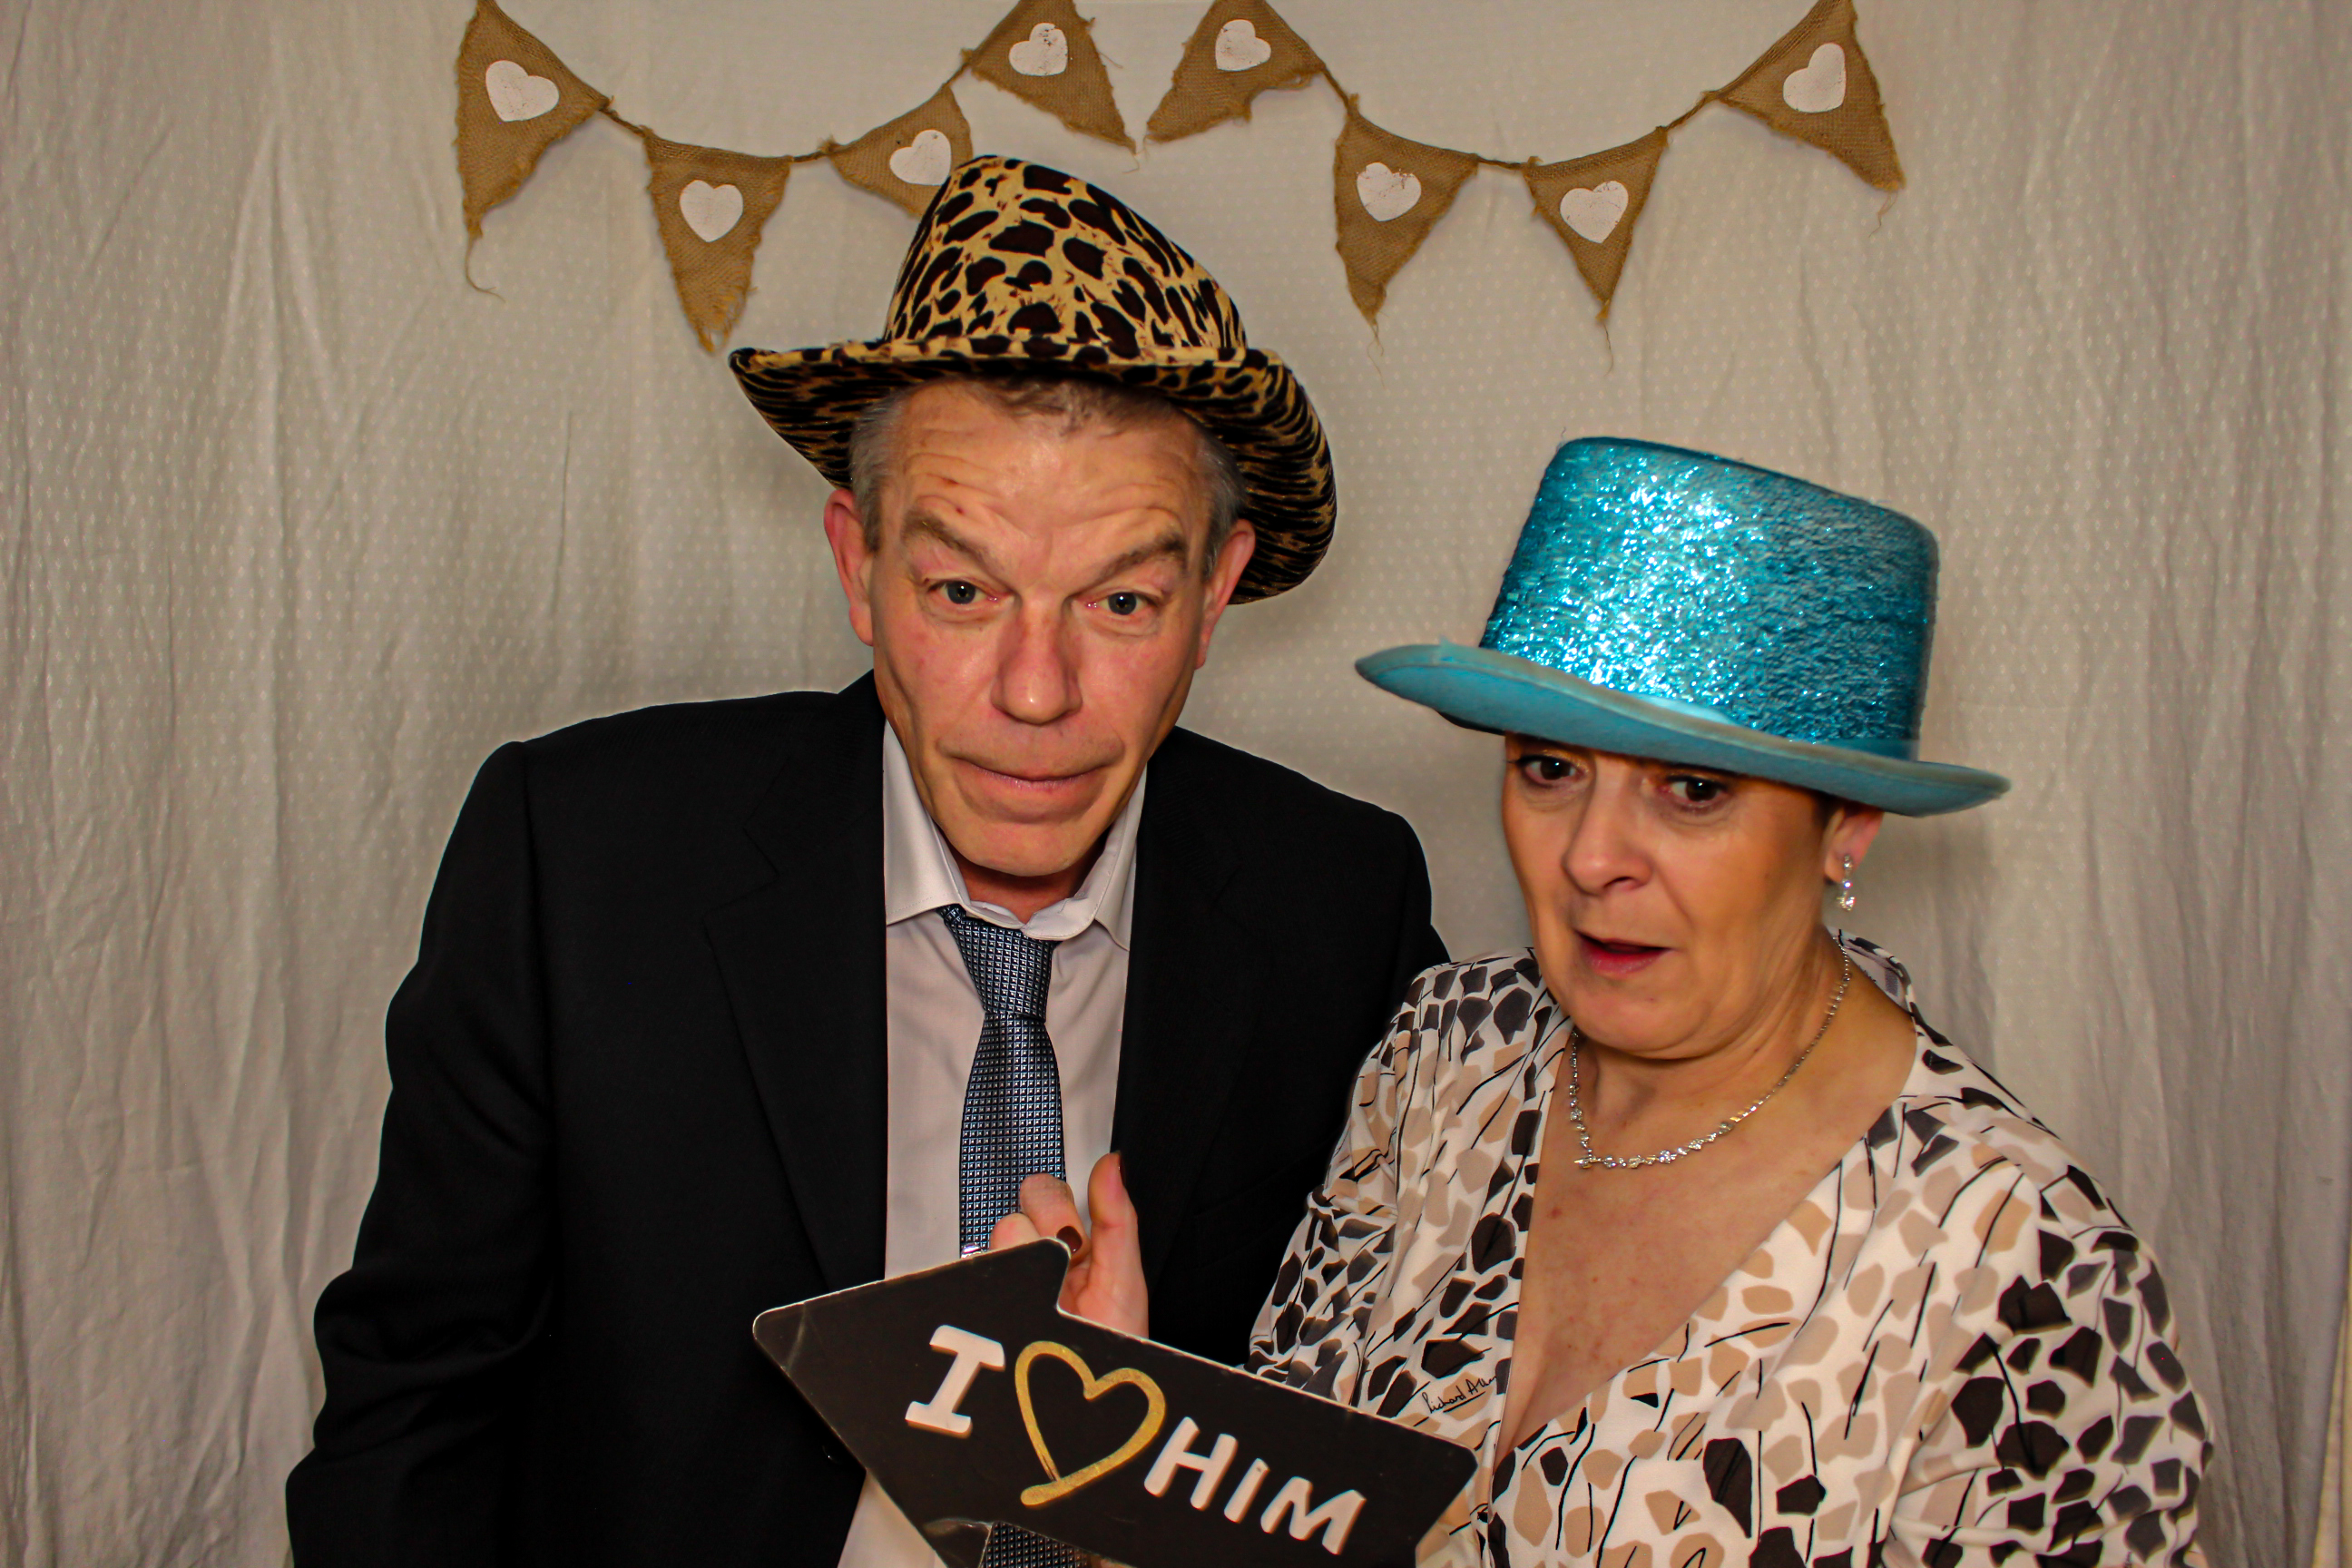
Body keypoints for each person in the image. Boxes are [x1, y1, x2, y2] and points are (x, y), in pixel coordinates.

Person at [284, 157, 1446, 1568]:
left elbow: (1391, 1443)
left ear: (1213, 598)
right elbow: (411, 1421)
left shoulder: (1342, 908)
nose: (1035, 691)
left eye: (1123, 602)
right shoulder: (579, 864)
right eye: (961, 590)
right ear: (858, 566)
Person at [999, 439, 2210, 1564]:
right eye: (1549, 768)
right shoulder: (1448, 1052)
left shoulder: (2024, 1265)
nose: (1591, 857)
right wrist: (1131, 1446)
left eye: (1692, 789)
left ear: (1847, 822)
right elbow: (1296, 1530)